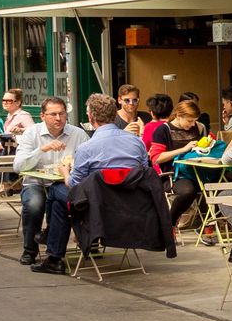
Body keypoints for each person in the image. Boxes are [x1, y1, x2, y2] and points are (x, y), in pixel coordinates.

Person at [35, 93, 149, 274]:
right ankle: (54, 256)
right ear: (114, 115)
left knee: (57, 191)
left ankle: (53, 252)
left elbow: (74, 185)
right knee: (59, 205)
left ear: (90, 117)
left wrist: (65, 172)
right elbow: (144, 172)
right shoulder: (137, 143)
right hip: (131, 205)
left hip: (98, 207)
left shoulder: (87, 148)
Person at [13, 97, 80, 264]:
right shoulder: (32, 133)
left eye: (62, 114)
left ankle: (74, 246)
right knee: (34, 204)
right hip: (37, 182)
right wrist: (42, 149)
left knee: (77, 201)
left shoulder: (78, 134)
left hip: (63, 182)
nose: (58, 118)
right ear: (42, 116)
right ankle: (30, 250)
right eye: (53, 114)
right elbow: (18, 166)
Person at [148, 99, 212, 234]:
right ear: (178, 115)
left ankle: (208, 225)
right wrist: (184, 149)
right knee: (189, 191)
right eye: (189, 121)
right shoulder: (163, 130)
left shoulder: (198, 127)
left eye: (194, 120)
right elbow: (156, 158)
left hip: (197, 171)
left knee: (219, 186)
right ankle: (170, 223)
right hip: (174, 175)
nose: (192, 124)